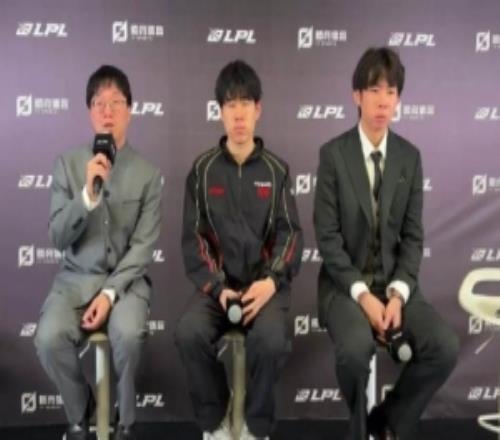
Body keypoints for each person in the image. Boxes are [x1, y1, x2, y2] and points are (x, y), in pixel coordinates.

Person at [313, 47, 459, 440]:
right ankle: (359, 431)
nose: (383, 101)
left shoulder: (410, 158)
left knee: (444, 346)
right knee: (355, 352)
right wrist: (363, 296)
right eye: (374, 90)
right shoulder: (333, 155)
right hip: (345, 287)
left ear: (398, 99)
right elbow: (327, 238)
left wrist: (396, 295)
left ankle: (386, 420)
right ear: (356, 96)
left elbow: (413, 236)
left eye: (391, 92)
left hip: (395, 286)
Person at [175, 60, 303, 440]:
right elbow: (194, 238)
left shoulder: (277, 171)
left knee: (271, 342)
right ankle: (216, 417)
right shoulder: (202, 170)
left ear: (258, 109)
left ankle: (254, 423)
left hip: (264, 288)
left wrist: (271, 281)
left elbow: (291, 235)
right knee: (188, 332)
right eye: (230, 104)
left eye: (246, 103)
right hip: (218, 290)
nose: (239, 114)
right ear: (220, 112)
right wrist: (218, 288)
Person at [34, 65, 162, 440]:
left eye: (116, 102)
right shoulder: (68, 165)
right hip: (74, 282)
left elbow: (143, 246)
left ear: (130, 110)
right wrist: (87, 196)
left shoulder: (148, 174)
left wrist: (109, 294)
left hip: (126, 284)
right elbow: (57, 236)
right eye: (98, 103)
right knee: (48, 337)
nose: (107, 110)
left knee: (129, 333)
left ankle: (125, 422)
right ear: (90, 112)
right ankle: (83, 413)